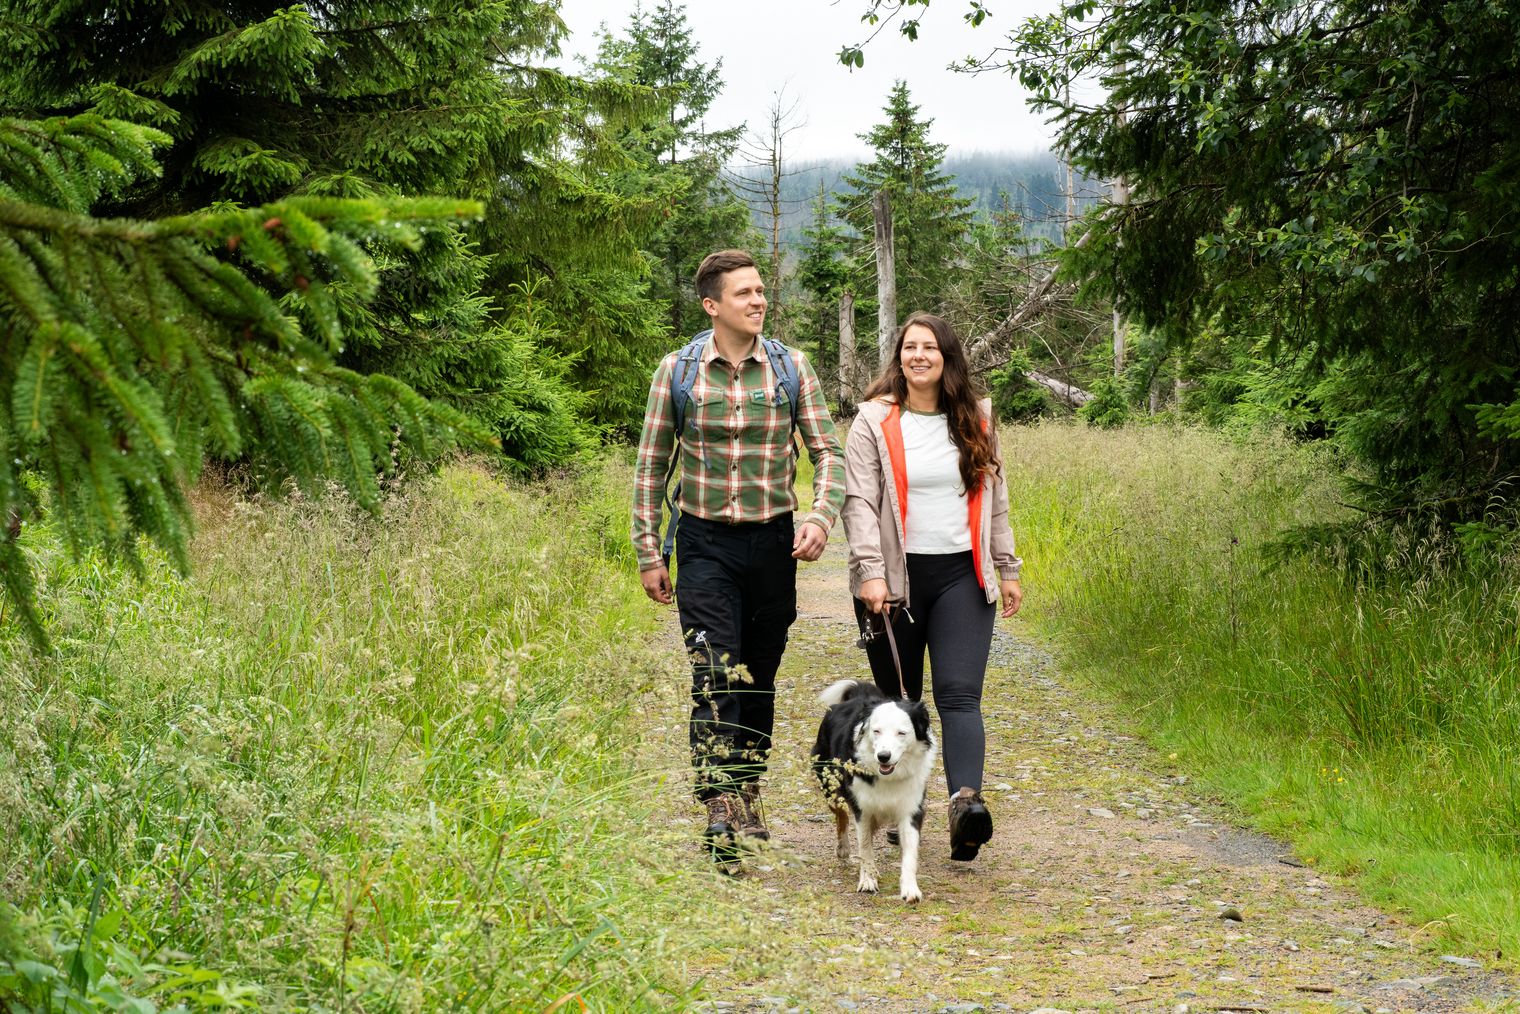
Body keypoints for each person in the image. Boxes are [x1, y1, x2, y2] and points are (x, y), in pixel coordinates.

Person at [631, 249, 845, 862]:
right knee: (714, 669)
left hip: (773, 542)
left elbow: (826, 450)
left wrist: (819, 518)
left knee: (760, 672)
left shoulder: (790, 367)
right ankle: (719, 800)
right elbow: (651, 469)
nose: (758, 301)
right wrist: (651, 552)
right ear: (712, 305)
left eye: (760, 292)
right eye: (745, 293)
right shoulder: (677, 371)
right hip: (703, 544)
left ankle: (749, 785)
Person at [842, 311, 1023, 861]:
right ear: (898, 358)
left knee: (960, 695)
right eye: (909, 347)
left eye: (929, 348)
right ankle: (899, 806)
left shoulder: (975, 419)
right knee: (901, 703)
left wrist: (1006, 566)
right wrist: (870, 572)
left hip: (962, 577)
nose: (918, 356)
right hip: (893, 582)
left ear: (947, 358)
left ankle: (966, 806)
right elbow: (860, 504)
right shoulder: (872, 421)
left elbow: (996, 499)